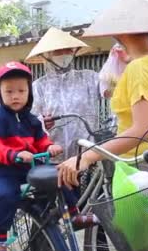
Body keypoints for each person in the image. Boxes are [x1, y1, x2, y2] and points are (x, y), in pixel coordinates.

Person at [57, 0, 148, 188]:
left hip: (138, 168)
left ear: (119, 32)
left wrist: (87, 157)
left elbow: (141, 130)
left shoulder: (139, 68)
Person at [0, 61, 96, 251]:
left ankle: (73, 215)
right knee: (5, 194)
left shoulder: (32, 119)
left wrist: (50, 146)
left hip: (31, 168)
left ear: (29, 93)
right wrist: (14, 154)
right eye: (9, 91)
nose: (16, 96)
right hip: (7, 169)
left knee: (62, 176)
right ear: (0, 94)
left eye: (21, 90)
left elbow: (41, 140)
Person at [25, 27, 101, 159]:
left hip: (86, 155)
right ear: (47, 55)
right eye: (58, 50)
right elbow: (28, 121)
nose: (64, 53)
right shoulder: (38, 87)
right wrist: (42, 122)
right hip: (53, 156)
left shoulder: (89, 78)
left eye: (68, 49)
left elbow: (111, 89)